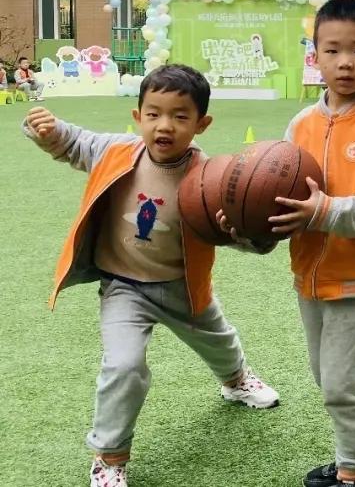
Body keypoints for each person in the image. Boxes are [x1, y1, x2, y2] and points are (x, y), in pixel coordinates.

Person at [23, 66, 279, 487]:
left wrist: (252, 237)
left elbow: (235, 230)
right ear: (137, 115)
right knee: (123, 367)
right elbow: (73, 142)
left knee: (218, 339)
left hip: (181, 284)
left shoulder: (208, 177)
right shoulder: (117, 151)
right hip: (123, 287)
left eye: (180, 116)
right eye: (154, 113)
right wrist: (47, 130)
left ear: (202, 123)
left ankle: (235, 381)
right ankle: (109, 457)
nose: (165, 125)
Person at [258, 0, 355, 487]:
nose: (346, 61)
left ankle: (354, 472)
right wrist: (243, 221)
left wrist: (324, 211)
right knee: (327, 376)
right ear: (314, 56)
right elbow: (274, 194)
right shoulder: (300, 124)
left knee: (341, 383)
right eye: (333, 50)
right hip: (308, 273)